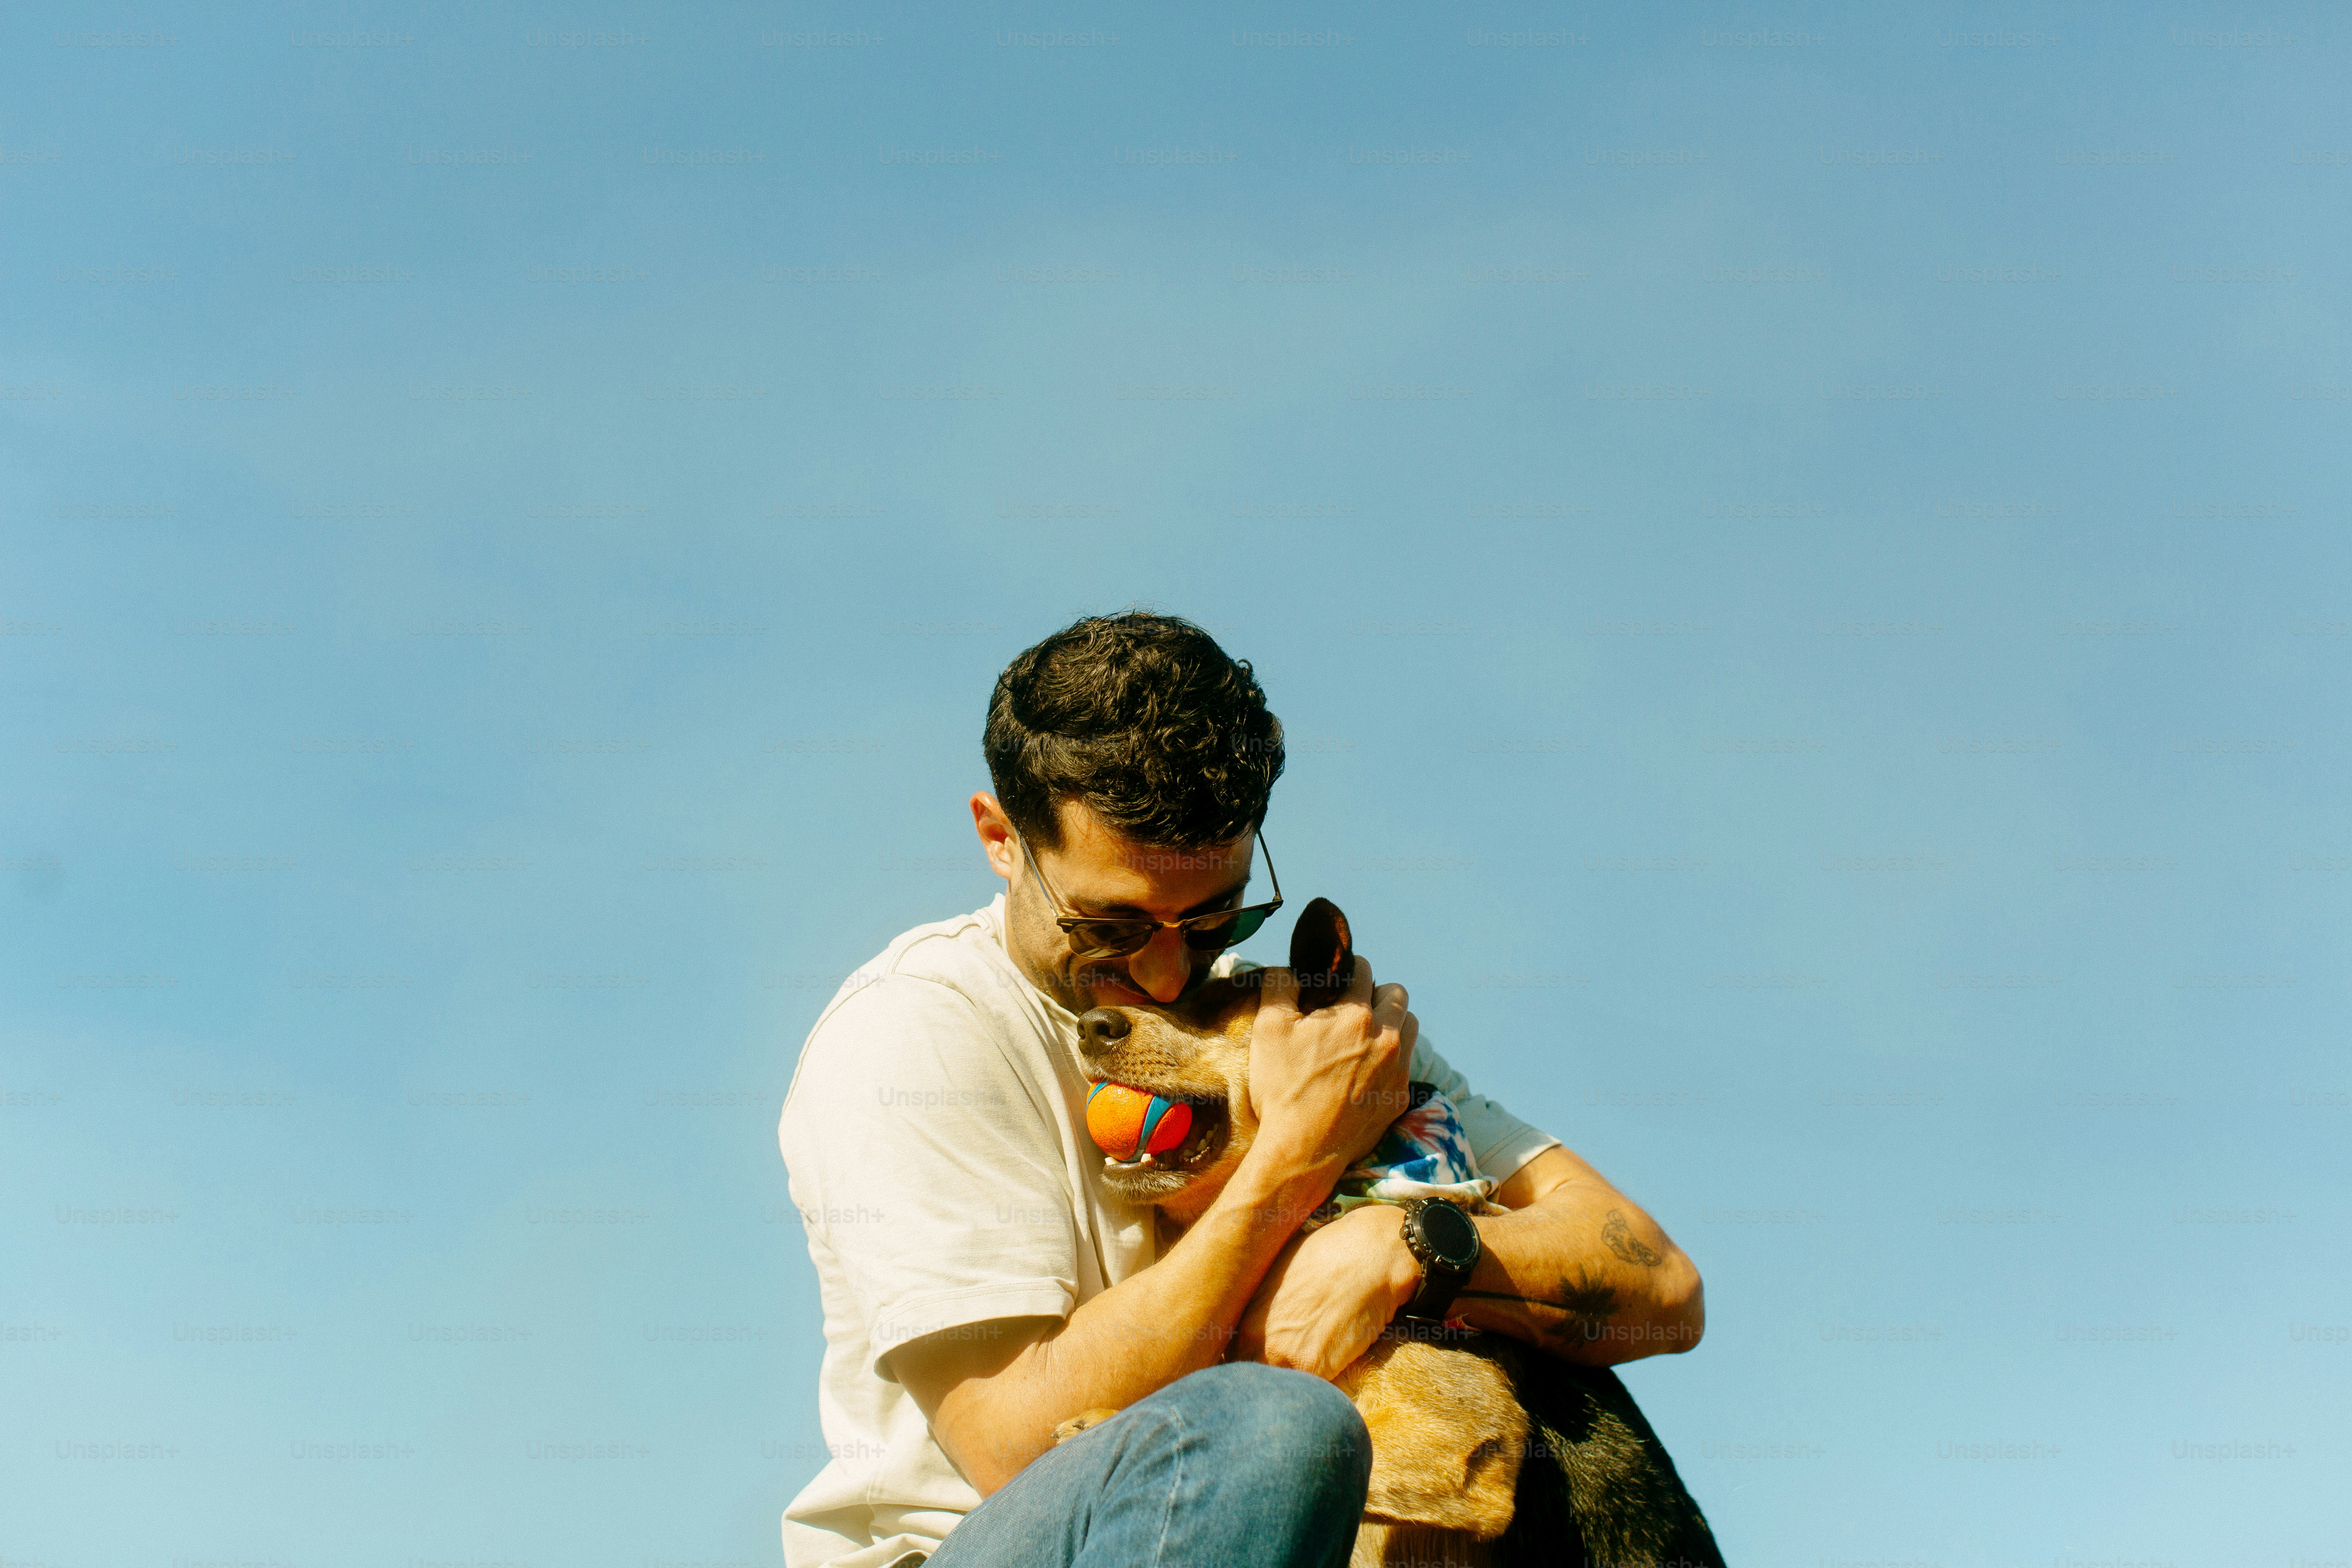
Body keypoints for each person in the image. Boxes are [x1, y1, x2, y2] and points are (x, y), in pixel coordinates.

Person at [777, 612, 1703, 1568]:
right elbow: (1009, 1443)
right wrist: (1297, 1158)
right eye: (1115, 926)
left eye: (1218, 914)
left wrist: (1406, 1243)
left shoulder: (1290, 1026)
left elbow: (1665, 1291)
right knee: (1276, 1431)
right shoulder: (918, 1032)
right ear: (1002, 839)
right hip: (990, 1543)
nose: (1172, 974)